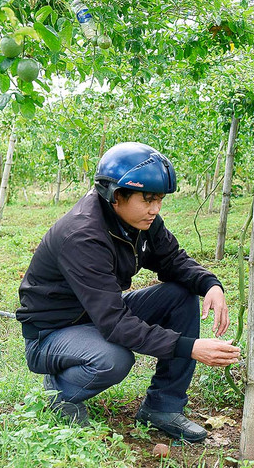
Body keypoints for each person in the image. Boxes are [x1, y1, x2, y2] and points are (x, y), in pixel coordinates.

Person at [17, 142, 240, 441]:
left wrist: (209, 283)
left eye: (159, 199)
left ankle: (163, 407)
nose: (155, 209)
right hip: (53, 333)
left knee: (180, 295)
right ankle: (61, 392)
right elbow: (115, 324)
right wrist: (191, 347)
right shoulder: (83, 236)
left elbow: (172, 259)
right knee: (114, 358)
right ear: (116, 195)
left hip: (93, 315)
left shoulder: (138, 222)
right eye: (148, 199)